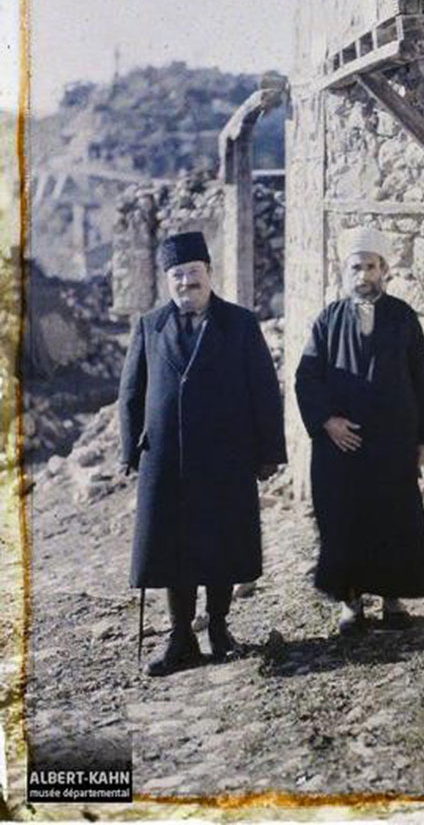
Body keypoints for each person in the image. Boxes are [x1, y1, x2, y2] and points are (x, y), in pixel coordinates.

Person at [119, 231, 286, 675]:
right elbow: (131, 393)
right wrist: (128, 450)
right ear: (166, 280)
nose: (186, 283)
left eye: (193, 274)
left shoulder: (240, 323)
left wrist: (269, 449)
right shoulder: (150, 326)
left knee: (222, 541)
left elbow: (264, 390)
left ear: (209, 273)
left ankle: (218, 628)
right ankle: (180, 637)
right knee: (172, 546)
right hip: (167, 459)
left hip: (226, 455)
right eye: (177, 276)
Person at [295, 226, 424, 635]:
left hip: (391, 442)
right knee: (344, 520)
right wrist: (328, 421)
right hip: (340, 446)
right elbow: (307, 377)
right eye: (357, 267)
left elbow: (420, 377)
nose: (364, 275)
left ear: (384, 270)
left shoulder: (402, 317)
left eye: (372, 267)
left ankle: (393, 601)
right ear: (346, 270)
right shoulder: (328, 319)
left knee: (394, 518)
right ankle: (351, 605)